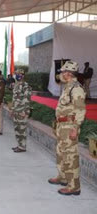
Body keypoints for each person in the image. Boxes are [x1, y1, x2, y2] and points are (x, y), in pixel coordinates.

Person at [48, 61, 86, 196]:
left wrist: (75, 128)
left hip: (70, 126)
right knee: (61, 152)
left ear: (68, 73)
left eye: (62, 72)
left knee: (70, 156)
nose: (60, 75)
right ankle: (63, 177)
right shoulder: (67, 87)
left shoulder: (76, 88)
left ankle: (74, 186)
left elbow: (80, 110)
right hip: (62, 126)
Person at [11, 69, 32, 153]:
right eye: (16, 74)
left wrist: (25, 111)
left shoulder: (25, 86)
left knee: (22, 130)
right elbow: (14, 99)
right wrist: (12, 110)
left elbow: (27, 99)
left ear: (23, 75)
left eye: (19, 74)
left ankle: (22, 147)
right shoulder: (16, 85)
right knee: (17, 129)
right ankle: (19, 144)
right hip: (16, 111)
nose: (17, 75)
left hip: (21, 111)